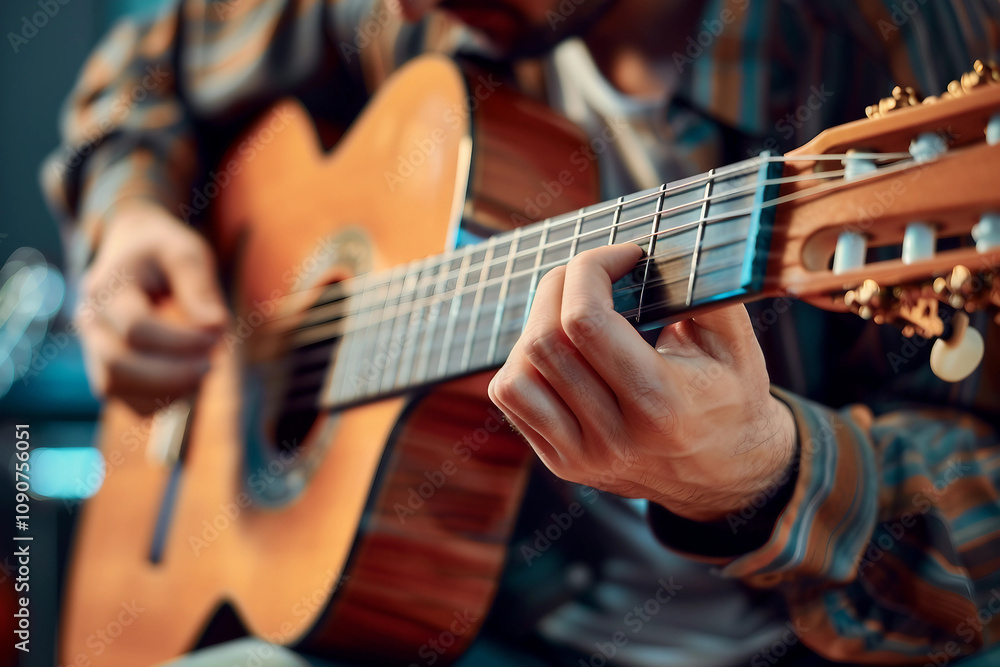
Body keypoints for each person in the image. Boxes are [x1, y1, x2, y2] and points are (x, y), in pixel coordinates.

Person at [44, 0, 1000, 665]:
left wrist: (762, 474)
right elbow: (147, 63)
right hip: (443, 631)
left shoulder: (900, 35)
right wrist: (130, 222)